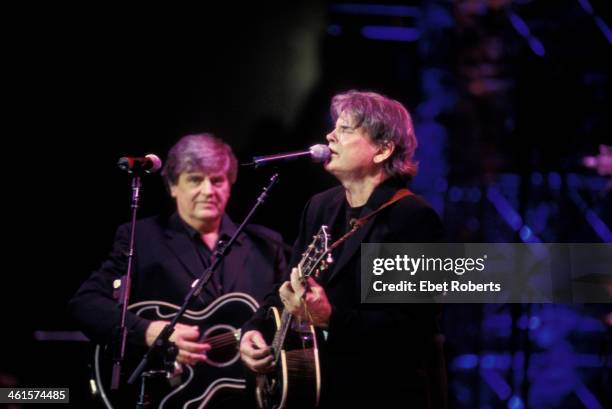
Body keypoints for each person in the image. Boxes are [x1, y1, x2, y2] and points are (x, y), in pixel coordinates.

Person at [240, 91, 447, 408]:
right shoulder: (321, 207)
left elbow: (412, 328)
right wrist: (254, 329)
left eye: (346, 129)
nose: (329, 136)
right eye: (334, 127)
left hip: (382, 393)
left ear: (382, 149)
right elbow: (287, 285)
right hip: (322, 391)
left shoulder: (412, 218)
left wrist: (330, 318)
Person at [69, 133, 288, 406]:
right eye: (195, 179)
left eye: (217, 180)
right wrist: (147, 330)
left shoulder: (267, 244)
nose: (208, 190)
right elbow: (85, 304)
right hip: (168, 396)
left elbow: (284, 318)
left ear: (230, 184)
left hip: (246, 398)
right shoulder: (141, 238)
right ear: (173, 186)